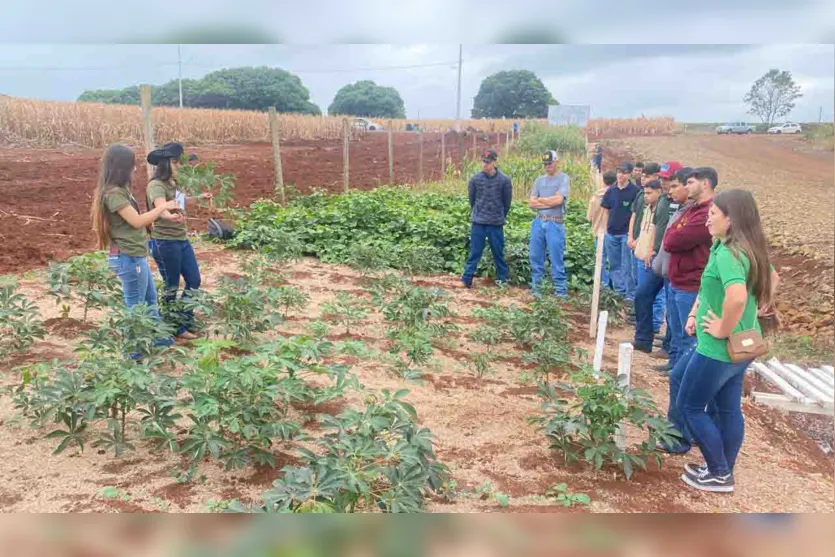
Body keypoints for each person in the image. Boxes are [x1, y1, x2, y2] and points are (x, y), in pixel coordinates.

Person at [676, 189, 776, 492]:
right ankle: (721, 469)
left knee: (690, 406)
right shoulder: (749, 248)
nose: (707, 220)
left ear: (730, 220)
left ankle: (719, 473)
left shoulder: (729, 254)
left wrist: (721, 327)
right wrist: (755, 312)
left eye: (713, 215)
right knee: (729, 409)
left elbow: (735, 297)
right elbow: (773, 279)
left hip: (718, 349)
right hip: (744, 346)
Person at [91, 144, 179, 354]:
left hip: (135, 256)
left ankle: (159, 342)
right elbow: (136, 221)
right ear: (122, 167)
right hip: (128, 258)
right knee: (136, 308)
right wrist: (162, 207)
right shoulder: (114, 194)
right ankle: (134, 354)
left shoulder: (121, 191)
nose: (135, 169)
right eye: (132, 165)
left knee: (149, 301)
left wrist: (153, 219)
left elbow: (138, 222)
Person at [146, 142, 213, 340]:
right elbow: (161, 207)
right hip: (165, 242)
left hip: (181, 240)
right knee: (171, 285)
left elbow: (180, 201)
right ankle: (173, 326)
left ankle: (183, 320)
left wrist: (200, 197)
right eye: (176, 162)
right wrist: (169, 216)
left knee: (194, 280)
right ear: (166, 163)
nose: (180, 166)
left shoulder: (173, 184)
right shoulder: (156, 185)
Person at [663, 167, 717, 359]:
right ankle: (674, 365)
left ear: (705, 184)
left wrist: (673, 234)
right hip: (678, 279)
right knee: (677, 329)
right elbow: (669, 234)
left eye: (690, 182)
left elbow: (674, 240)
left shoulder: (707, 213)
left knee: (688, 334)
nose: (687, 186)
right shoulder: (691, 209)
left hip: (691, 281)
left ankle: (680, 372)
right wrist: (673, 234)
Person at [462, 149, 513, 288]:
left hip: (495, 223)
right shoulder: (475, 180)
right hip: (478, 223)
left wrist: (499, 215)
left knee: (498, 253)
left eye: (488, 162)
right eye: (483, 162)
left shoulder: (505, 180)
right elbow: (472, 200)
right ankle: (467, 279)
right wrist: (478, 213)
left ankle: (502, 279)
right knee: (475, 252)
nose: (485, 165)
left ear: (494, 162)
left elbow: (506, 203)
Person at [630, 178, 666, 352]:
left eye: (649, 193)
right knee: (642, 295)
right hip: (644, 255)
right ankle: (644, 337)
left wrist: (653, 249)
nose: (646, 196)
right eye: (645, 192)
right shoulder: (648, 208)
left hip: (654, 258)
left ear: (658, 191)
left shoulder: (664, 206)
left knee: (648, 295)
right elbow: (648, 230)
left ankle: (651, 331)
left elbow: (660, 231)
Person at [529, 150, 570, 296]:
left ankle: (560, 292)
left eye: (550, 163)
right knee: (535, 257)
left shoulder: (563, 178)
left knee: (556, 259)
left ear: (557, 162)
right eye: (545, 164)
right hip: (539, 222)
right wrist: (549, 202)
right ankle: (536, 290)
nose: (547, 166)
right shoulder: (539, 180)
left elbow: (559, 200)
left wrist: (541, 200)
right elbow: (532, 203)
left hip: (555, 223)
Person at [627, 162, 662, 322]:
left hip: (651, 254)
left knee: (654, 292)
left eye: (646, 176)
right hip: (639, 250)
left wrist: (650, 249)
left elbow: (656, 232)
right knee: (640, 287)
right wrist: (633, 239)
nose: (643, 179)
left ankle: (654, 322)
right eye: (642, 176)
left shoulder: (661, 206)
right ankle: (641, 316)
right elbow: (638, 221)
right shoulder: (643, 200)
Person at [601, 162, 640, 299]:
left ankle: (629, 295)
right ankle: (619, 293)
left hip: (626, 234)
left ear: (630, 174)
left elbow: (636, 214)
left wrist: (631, 234)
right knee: (614, 265)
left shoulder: (635, 192)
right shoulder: (611, 191)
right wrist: (606, 230)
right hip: (611, 234)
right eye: (619, 172)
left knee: (627, 266)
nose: (620, 175)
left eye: (624, 172)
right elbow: (605, 211)